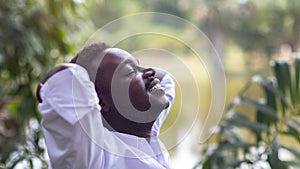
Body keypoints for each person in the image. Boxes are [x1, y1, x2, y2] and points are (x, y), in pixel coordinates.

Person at [36, 42, 175, 169]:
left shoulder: (147, 132)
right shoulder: (98, 157)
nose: (151, 71)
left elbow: (166, 79)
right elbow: (68, 76)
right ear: (101, 102)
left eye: (139, 65)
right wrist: (44, 90)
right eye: (130, 72)